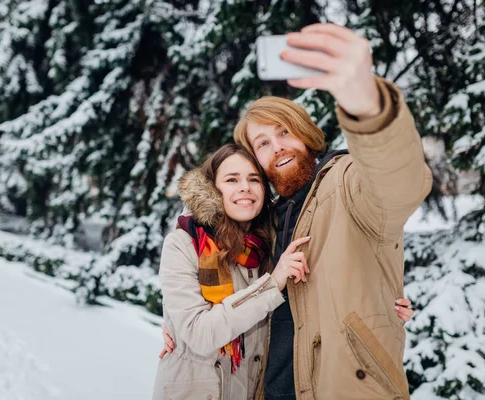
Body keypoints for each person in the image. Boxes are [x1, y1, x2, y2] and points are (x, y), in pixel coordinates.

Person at [160, 22, 428, 399]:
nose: (279, 147)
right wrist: (177, 320)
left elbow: (397, 182)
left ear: (306, 133)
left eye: (285, 131)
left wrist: (369, 106)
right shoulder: (264, 228)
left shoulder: (347, 179)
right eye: (264, 143)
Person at [152, 144, 312, 399]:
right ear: (212, 190)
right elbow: (200, 333)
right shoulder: (184, 244)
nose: (245, 187)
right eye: (232, 179)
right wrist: (272, 284)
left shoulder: (270, 245)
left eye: (254, 179)